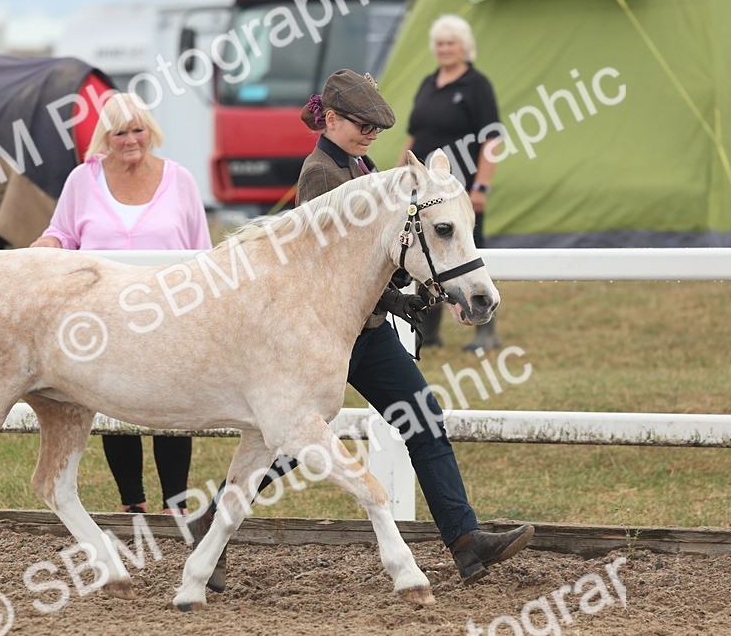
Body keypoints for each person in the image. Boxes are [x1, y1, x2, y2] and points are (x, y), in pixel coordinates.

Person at [191, 69, 532, 590]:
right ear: (330, 119)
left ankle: (465, 541)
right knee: (292, 437)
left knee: (421, 417)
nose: (372, 132)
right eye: (361, 123)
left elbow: (374, 257)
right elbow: (321, 266)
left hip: (364, 330)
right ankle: (211, 518)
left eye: (376, 125)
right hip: (323, 333)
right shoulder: (321, 175)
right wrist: (401, 297)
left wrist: (413, 292)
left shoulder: (359, 165)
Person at [31, 93, 212, 514]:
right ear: (105, 138)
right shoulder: (83, 179)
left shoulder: (180, 179)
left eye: (138, 130)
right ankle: (132, 502)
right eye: (120, 133)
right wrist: (47, 244)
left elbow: (201, 248)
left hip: (168, 311)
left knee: (173, 398)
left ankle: (176, 504)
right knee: (111, 397)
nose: (131, 140)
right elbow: (62, 232)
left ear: (149, 131)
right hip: (102, 312)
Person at [400, 14, 502, 352]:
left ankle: (485, 330)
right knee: (423, 254)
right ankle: (427, 332)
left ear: (464, 47)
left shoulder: (477, 85)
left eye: (451, 43)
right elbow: (414, 135)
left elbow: (492, 139)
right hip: (424, 191)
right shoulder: (429, 83)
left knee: (471, 253)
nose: (445, 49)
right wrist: (401, 174)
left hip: (460, 191)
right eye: (440, 44)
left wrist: (482, 186)